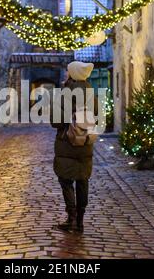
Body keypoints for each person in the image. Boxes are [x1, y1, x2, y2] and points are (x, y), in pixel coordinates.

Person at [50, 61, 97, 234]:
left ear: (72, 74)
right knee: (83, 181)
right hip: (85, 144)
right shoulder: (92, 93)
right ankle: (80, 222)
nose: (66, 74)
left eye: (68, 72)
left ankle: (71, 218)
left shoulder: (65, 94)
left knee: (66, 181)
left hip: (66, 145)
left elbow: (55, 122)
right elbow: (98, 119)